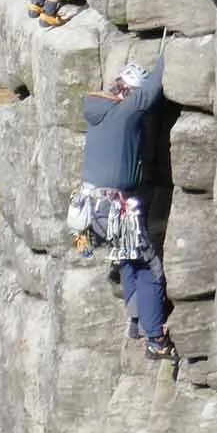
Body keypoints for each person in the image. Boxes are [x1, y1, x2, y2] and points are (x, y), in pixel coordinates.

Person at [70, 55, 172, 360]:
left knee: (129, 259)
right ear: (128, 92)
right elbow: (151, 90)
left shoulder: (99, 111)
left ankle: (137, 320)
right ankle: (154, 339)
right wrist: (166, 56)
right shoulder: (124, 112)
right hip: (115, 209)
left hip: (92, 210)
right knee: (149, 267)